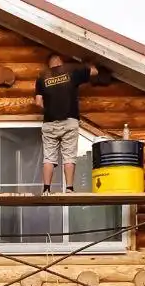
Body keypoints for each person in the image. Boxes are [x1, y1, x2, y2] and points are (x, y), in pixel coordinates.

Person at [34, 53, 97, 194]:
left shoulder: (41, 77)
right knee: (69, 156)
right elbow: (94, 72)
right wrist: (89, 64)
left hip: (49, 122)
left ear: (49, 64)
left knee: (49, 157)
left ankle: (46, 189)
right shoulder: (71, 70)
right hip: (69, 120)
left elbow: (38, 102)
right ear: (60, 62)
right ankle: (69, 188)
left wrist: (50, 109)